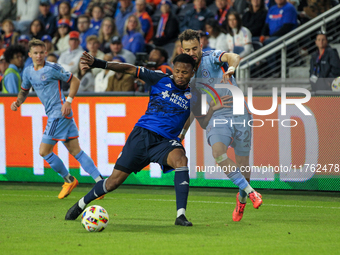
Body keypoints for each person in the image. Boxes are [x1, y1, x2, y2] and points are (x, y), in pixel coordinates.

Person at [65, 52, 196, 226]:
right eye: (177, 71)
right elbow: (129, 68)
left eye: (185, 73)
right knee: (112, 183)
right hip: (142, 136)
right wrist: (98, 63)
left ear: (192, 73)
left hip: (165, 142)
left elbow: (194, 113)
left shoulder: (195, 94)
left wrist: (182, 134)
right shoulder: (159, 79)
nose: (180, 75)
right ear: (173, 68)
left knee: (181, 160)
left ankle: (181, 216)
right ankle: (82, 203)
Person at [179, 29, 262, 222]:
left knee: (243, 166)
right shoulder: (187, 75)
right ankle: (251, 193)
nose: (191, 53)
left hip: (240, 112)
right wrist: (183, 132)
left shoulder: (212, 57)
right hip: (217, 115)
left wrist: (231, 69)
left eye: (194, 48)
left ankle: (241, 199)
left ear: (201, 46)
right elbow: (194, 109)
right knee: (218, 152)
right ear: (182, 50)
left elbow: (234, 56)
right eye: (187, 50)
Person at [10, 38, 104, 199]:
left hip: (58, 114)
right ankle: (100, 183)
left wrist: (68, 101)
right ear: (30, 54)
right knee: (76, 151)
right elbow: (24, 90)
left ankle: (69, 180)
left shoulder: (52, 68)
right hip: (59, 114)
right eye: (36, 53)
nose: (39, 56)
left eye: (41, 53)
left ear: (46, 53)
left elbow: (75, 80)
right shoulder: (27, 72)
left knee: (44, 151)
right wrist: (18, 101)